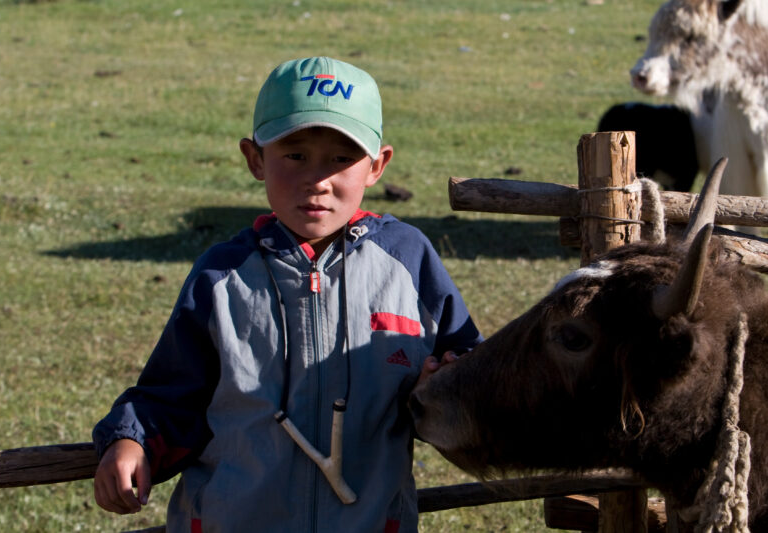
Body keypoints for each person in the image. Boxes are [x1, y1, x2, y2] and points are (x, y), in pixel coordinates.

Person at [92, 56, 482, 533]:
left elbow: (473, 375)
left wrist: (443, 380)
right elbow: (171, 394)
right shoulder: (221, 276)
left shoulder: (409, 262)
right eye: (295, 155)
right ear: (255, 159)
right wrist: (130, 441)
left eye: (341, 158)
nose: (317, 180)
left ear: (377, 166)